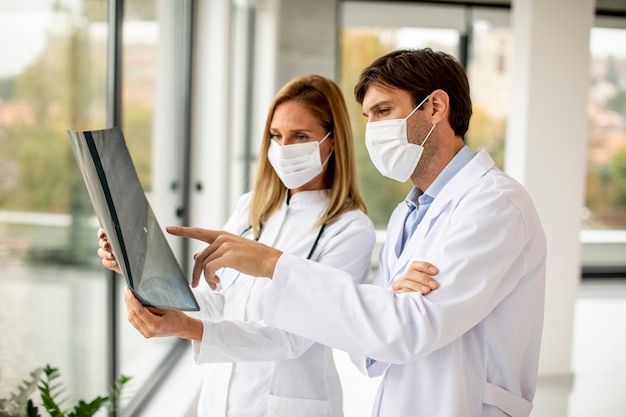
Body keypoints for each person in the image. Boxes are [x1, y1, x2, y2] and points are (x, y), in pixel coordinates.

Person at [168, 48, 547, 417]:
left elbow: (405, 330)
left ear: (434, 107)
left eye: (384, 111)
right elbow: (371, 353)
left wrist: (272, 264)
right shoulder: (407, 215)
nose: (373, 129)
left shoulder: (494, 204)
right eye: (368, 116)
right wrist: (386, 302)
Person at [97, 74, 440, 417]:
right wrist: (137, 266)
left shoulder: (349, 228)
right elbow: (220, 304)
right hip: (221, 402)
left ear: (333, 142)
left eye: (300, 136)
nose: (284, 148)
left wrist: (185, 327)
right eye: (276, 136)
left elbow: (293, 337)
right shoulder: (251, 208)